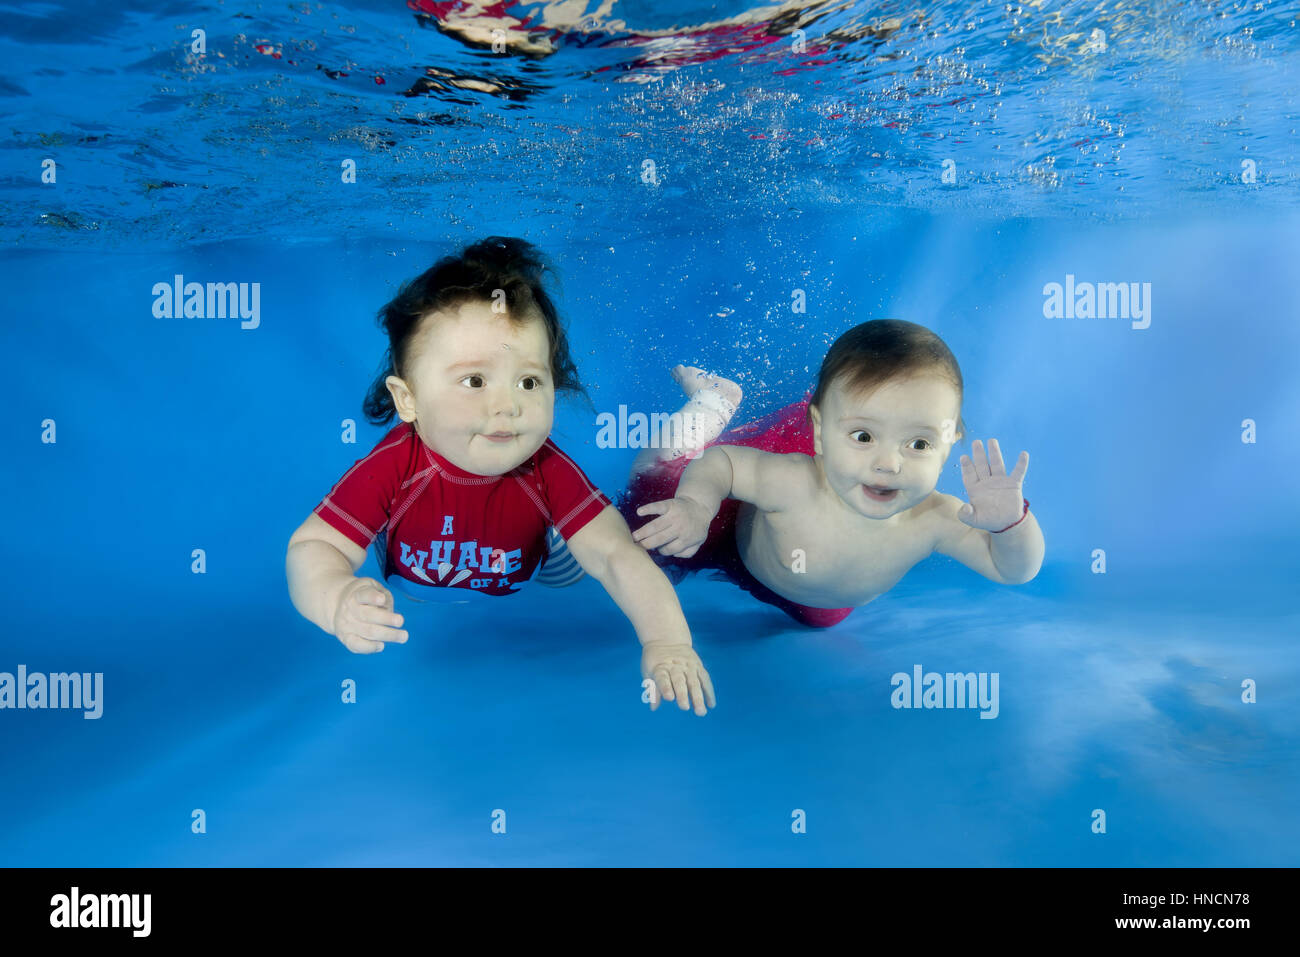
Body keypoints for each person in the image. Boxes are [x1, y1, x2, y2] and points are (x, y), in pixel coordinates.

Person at [286, 237, 714, 715]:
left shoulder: (547, 469)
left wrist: (668, 642)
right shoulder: (393, 466)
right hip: (409, 574)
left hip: (538, 566)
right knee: (362, 535)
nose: (507, 406)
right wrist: (335, 598)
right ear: (408, 400)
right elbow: (313, 547)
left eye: (529, 381)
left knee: (618, 540)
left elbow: (616, 558)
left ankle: (698, 425)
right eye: (474, 381)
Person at [618, 320, 1044, 627]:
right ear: (819, 433)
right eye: (863, 436)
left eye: (918, 444)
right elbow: (723, 463)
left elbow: (1012, 570)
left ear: (950, 443)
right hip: (727, 529)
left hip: (817, 603)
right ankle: (714, 400)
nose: (888, 464)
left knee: (820, 621)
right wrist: (695, 506)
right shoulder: (795, 482)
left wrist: (1011, 526)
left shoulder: (936, 520)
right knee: (648, 499)